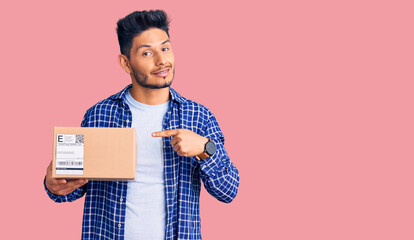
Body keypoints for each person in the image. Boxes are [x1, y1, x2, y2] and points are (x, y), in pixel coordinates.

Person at [44, 10, 239, 240]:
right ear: (125, 62)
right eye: (147, 53)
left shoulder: (199, 117)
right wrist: (53, 184)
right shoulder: (98, 115)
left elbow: (228, 191)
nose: (161, 61)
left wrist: (206, 149)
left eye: (165, 48)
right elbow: (70, 190)